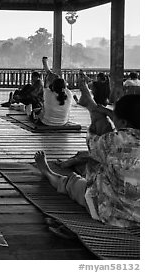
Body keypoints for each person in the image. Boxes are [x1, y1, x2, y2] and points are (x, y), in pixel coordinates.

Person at [34, 72, 139, 228]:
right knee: (108, 161)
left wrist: (96, 110)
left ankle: (51, 174)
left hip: (115, 212)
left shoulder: (117, 140)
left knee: (76, 183)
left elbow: (93, 141)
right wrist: (109, 113)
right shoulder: (123, 138)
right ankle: (89, 104)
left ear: (122, 121)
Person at [30, 57, 73, 126]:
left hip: (47, 122)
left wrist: (45, 63)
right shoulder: (69, 94)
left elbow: (47, 83)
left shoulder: (47, 93)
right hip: (63, 122)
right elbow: (62, 86)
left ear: (53, 85)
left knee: (35, 111)